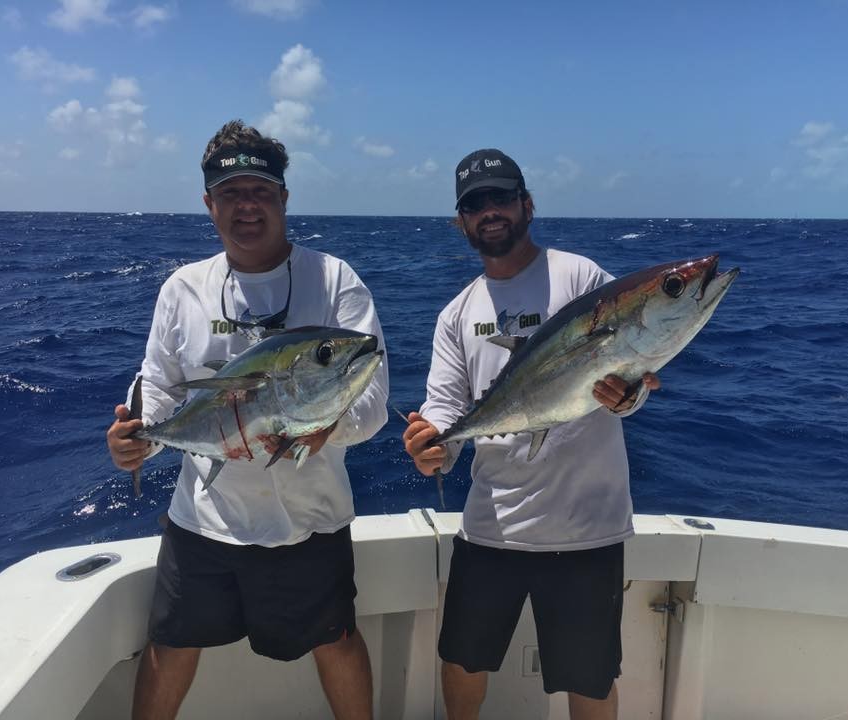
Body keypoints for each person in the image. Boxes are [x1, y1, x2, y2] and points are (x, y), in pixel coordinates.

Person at [106, 119, 388, 720]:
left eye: (260, 191)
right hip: (202, 522)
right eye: (231, 193)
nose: (247, 206)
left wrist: (313, 426)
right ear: (209, 203)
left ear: (284, 198)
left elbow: (371, 406)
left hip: (308, 521)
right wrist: (140, 439)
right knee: (171, 644)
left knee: (335, 641)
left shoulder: (335, 281)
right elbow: (157, 387)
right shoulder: (183, 288)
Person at [402, 149, 661, 720]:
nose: (489, 211)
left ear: (527, 204)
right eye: (475, 204)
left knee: (590, 680)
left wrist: (630, 397)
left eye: (500, 197)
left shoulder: (582, 277)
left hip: (587, 528)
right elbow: (444, 414)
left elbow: (630, 376)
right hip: (491, 527)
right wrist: (430, 452)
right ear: (461, 221)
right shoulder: (457, 313)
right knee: (462, 662)